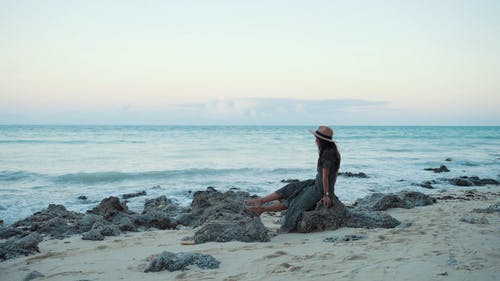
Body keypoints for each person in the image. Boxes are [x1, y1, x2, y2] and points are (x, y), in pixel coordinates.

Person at [245, 125, 341, 232]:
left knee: (295, 203)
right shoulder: (329, 151)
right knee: (291, 187)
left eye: (317, 138)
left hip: (320, 189)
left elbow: (325, 176)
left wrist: (327, 194)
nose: (315, 140)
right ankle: (260, 201)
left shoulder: (328, 154)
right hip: (316, 183)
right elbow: (333, 175)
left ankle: (261, 210)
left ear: (321, 140)